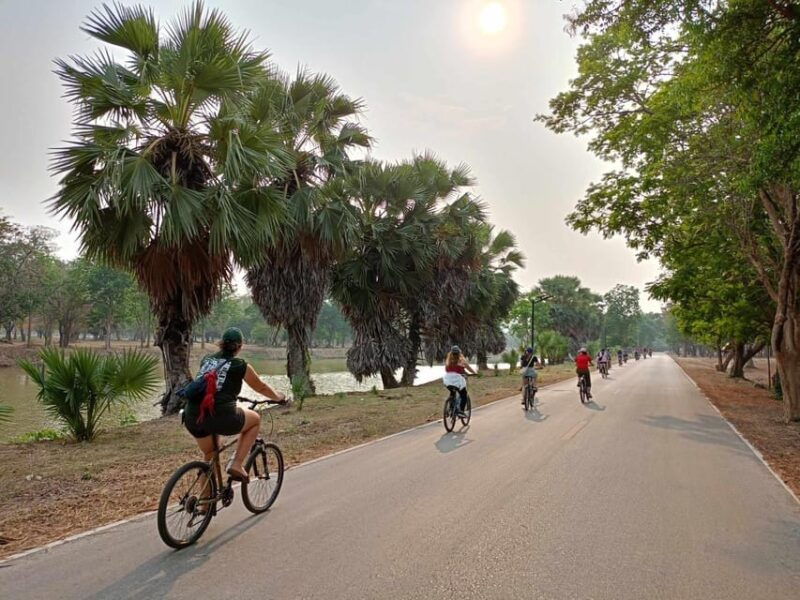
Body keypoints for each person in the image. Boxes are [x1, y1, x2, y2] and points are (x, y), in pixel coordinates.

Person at [183, 327, 286, 483]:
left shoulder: (207, 360)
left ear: (221, 344)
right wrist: (278, 397)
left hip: (192, 416)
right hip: (220, 415)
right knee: (255, 419)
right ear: (240, 346)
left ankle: (204, 505)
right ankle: (236, 464)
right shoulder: (239, 365)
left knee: (209, 457)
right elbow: (261, 387)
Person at [443, 345, 477, 417]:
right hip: (457, 380)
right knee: (463, 394)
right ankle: (460, 411)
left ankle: (450, 409)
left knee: (452, 392)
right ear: (459, 353)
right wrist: (474, 373)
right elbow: (468, 368)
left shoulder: (448, 360)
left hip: (447, 380)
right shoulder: (461, 360)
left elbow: (448, 370)